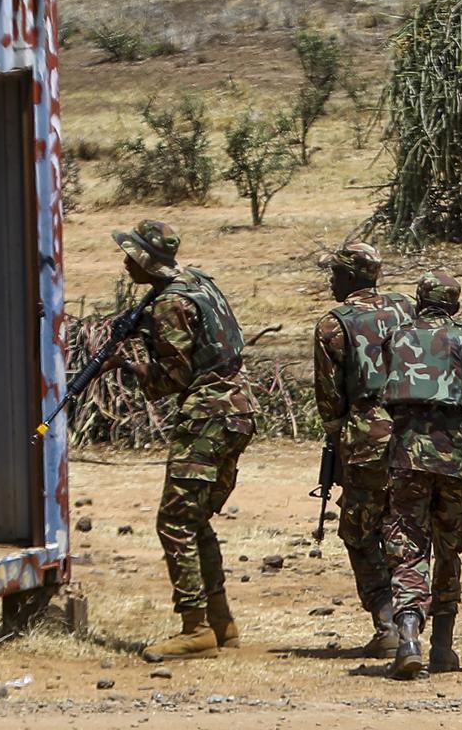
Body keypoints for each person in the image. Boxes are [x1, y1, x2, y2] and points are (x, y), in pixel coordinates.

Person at [103, 220, 257, 660]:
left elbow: (175, 377)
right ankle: (221, 622)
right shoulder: (199, 283)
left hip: (209, 415)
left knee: (173, 522)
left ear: (146, 260)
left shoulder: (169, 303)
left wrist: (127, 366)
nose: (125, 263)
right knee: (194, 518)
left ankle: (195, 627)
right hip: (240, 411)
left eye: (130, 255)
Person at [379, 271, 462, 678]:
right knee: (449, 546)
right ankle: (442, 649)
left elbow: (387, 392)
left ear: (419, 300)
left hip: (406, 454)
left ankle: (408, 637)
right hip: (456, 459)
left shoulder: (396, 336)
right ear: (455, 304)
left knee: (407, 544)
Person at [313, 242, 416, 657]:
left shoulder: (333, 326)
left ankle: (386, 619)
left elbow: (330, 399)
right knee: (409, 528)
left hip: (366, 440)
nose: (331, 280)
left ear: (351, 276)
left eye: (335, 273)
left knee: (358, 530)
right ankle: (422, 624)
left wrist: (338, 440)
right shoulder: (407, 308)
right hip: (416, 434)